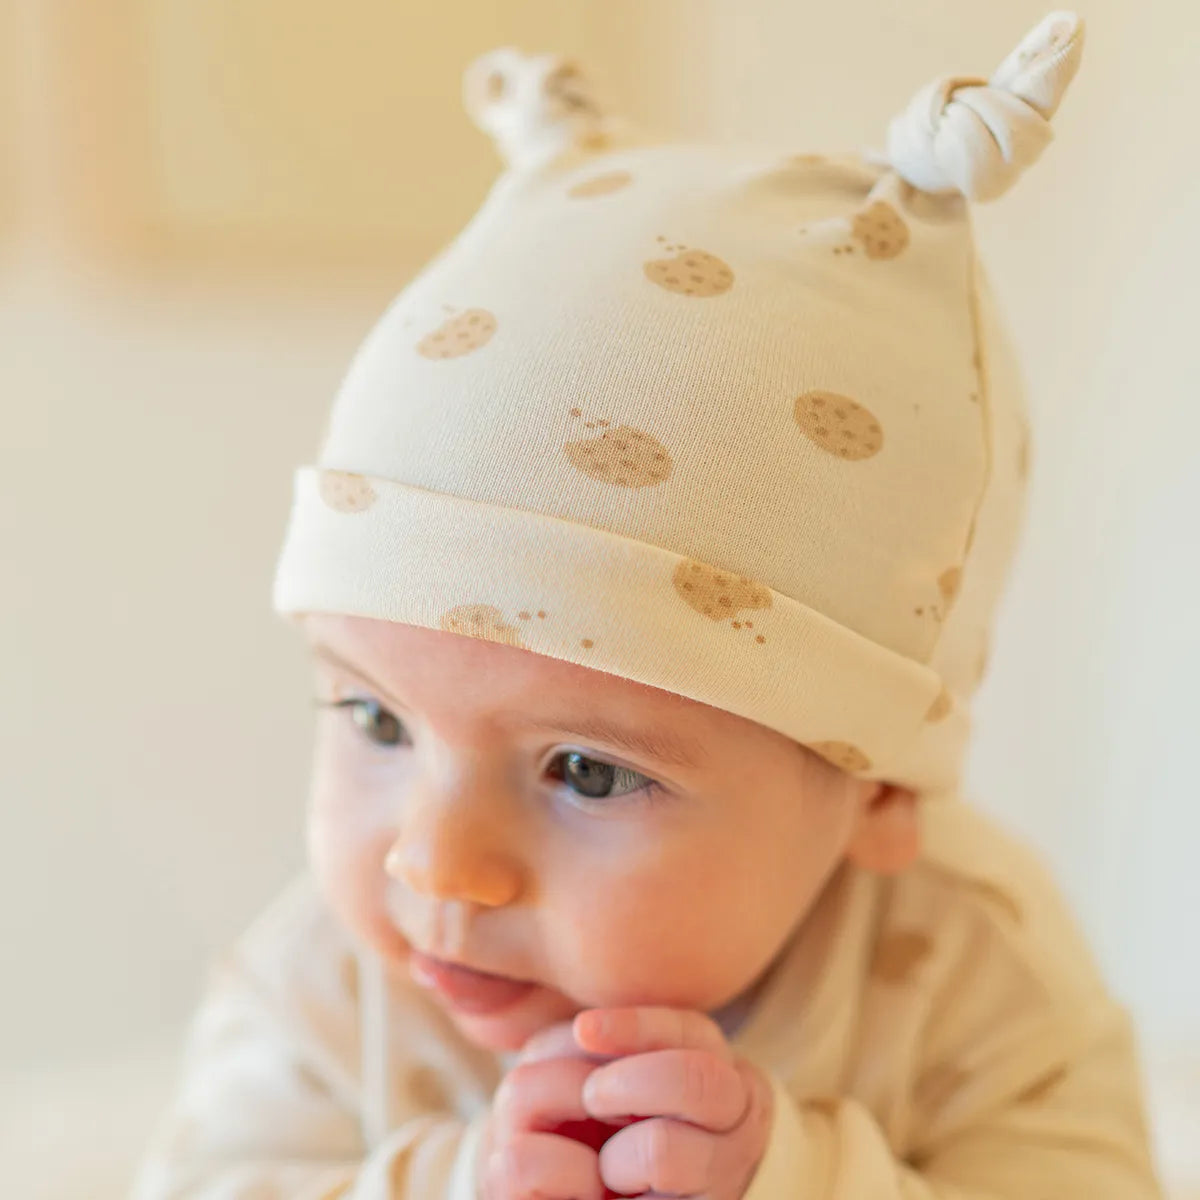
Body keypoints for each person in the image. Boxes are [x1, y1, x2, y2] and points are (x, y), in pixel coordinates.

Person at [130, 12, 1166, 1198]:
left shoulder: (973, 965)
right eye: (378, 723)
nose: (438, 864)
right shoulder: (327, 981)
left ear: (879, 785)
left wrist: (798, 1179)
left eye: (588, 771)